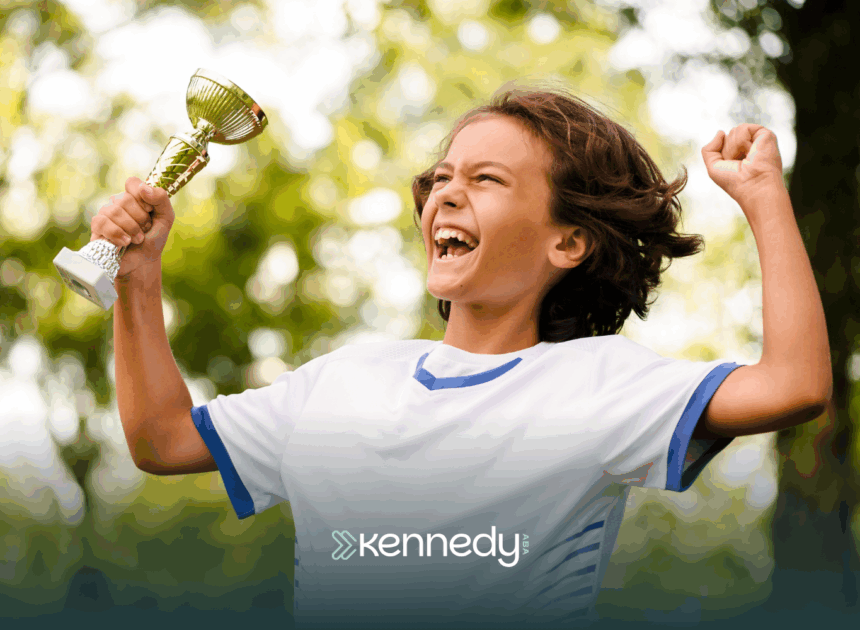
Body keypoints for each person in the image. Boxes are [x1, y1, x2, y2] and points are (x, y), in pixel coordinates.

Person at [100, 86, 831, 629]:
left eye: (486, 180)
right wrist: (138, 279)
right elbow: (161, 438)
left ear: (568, 242)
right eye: (442, 178)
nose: (447, 194)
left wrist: (765, 197)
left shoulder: (598, 382)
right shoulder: (341, 381)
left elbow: (794, 386)